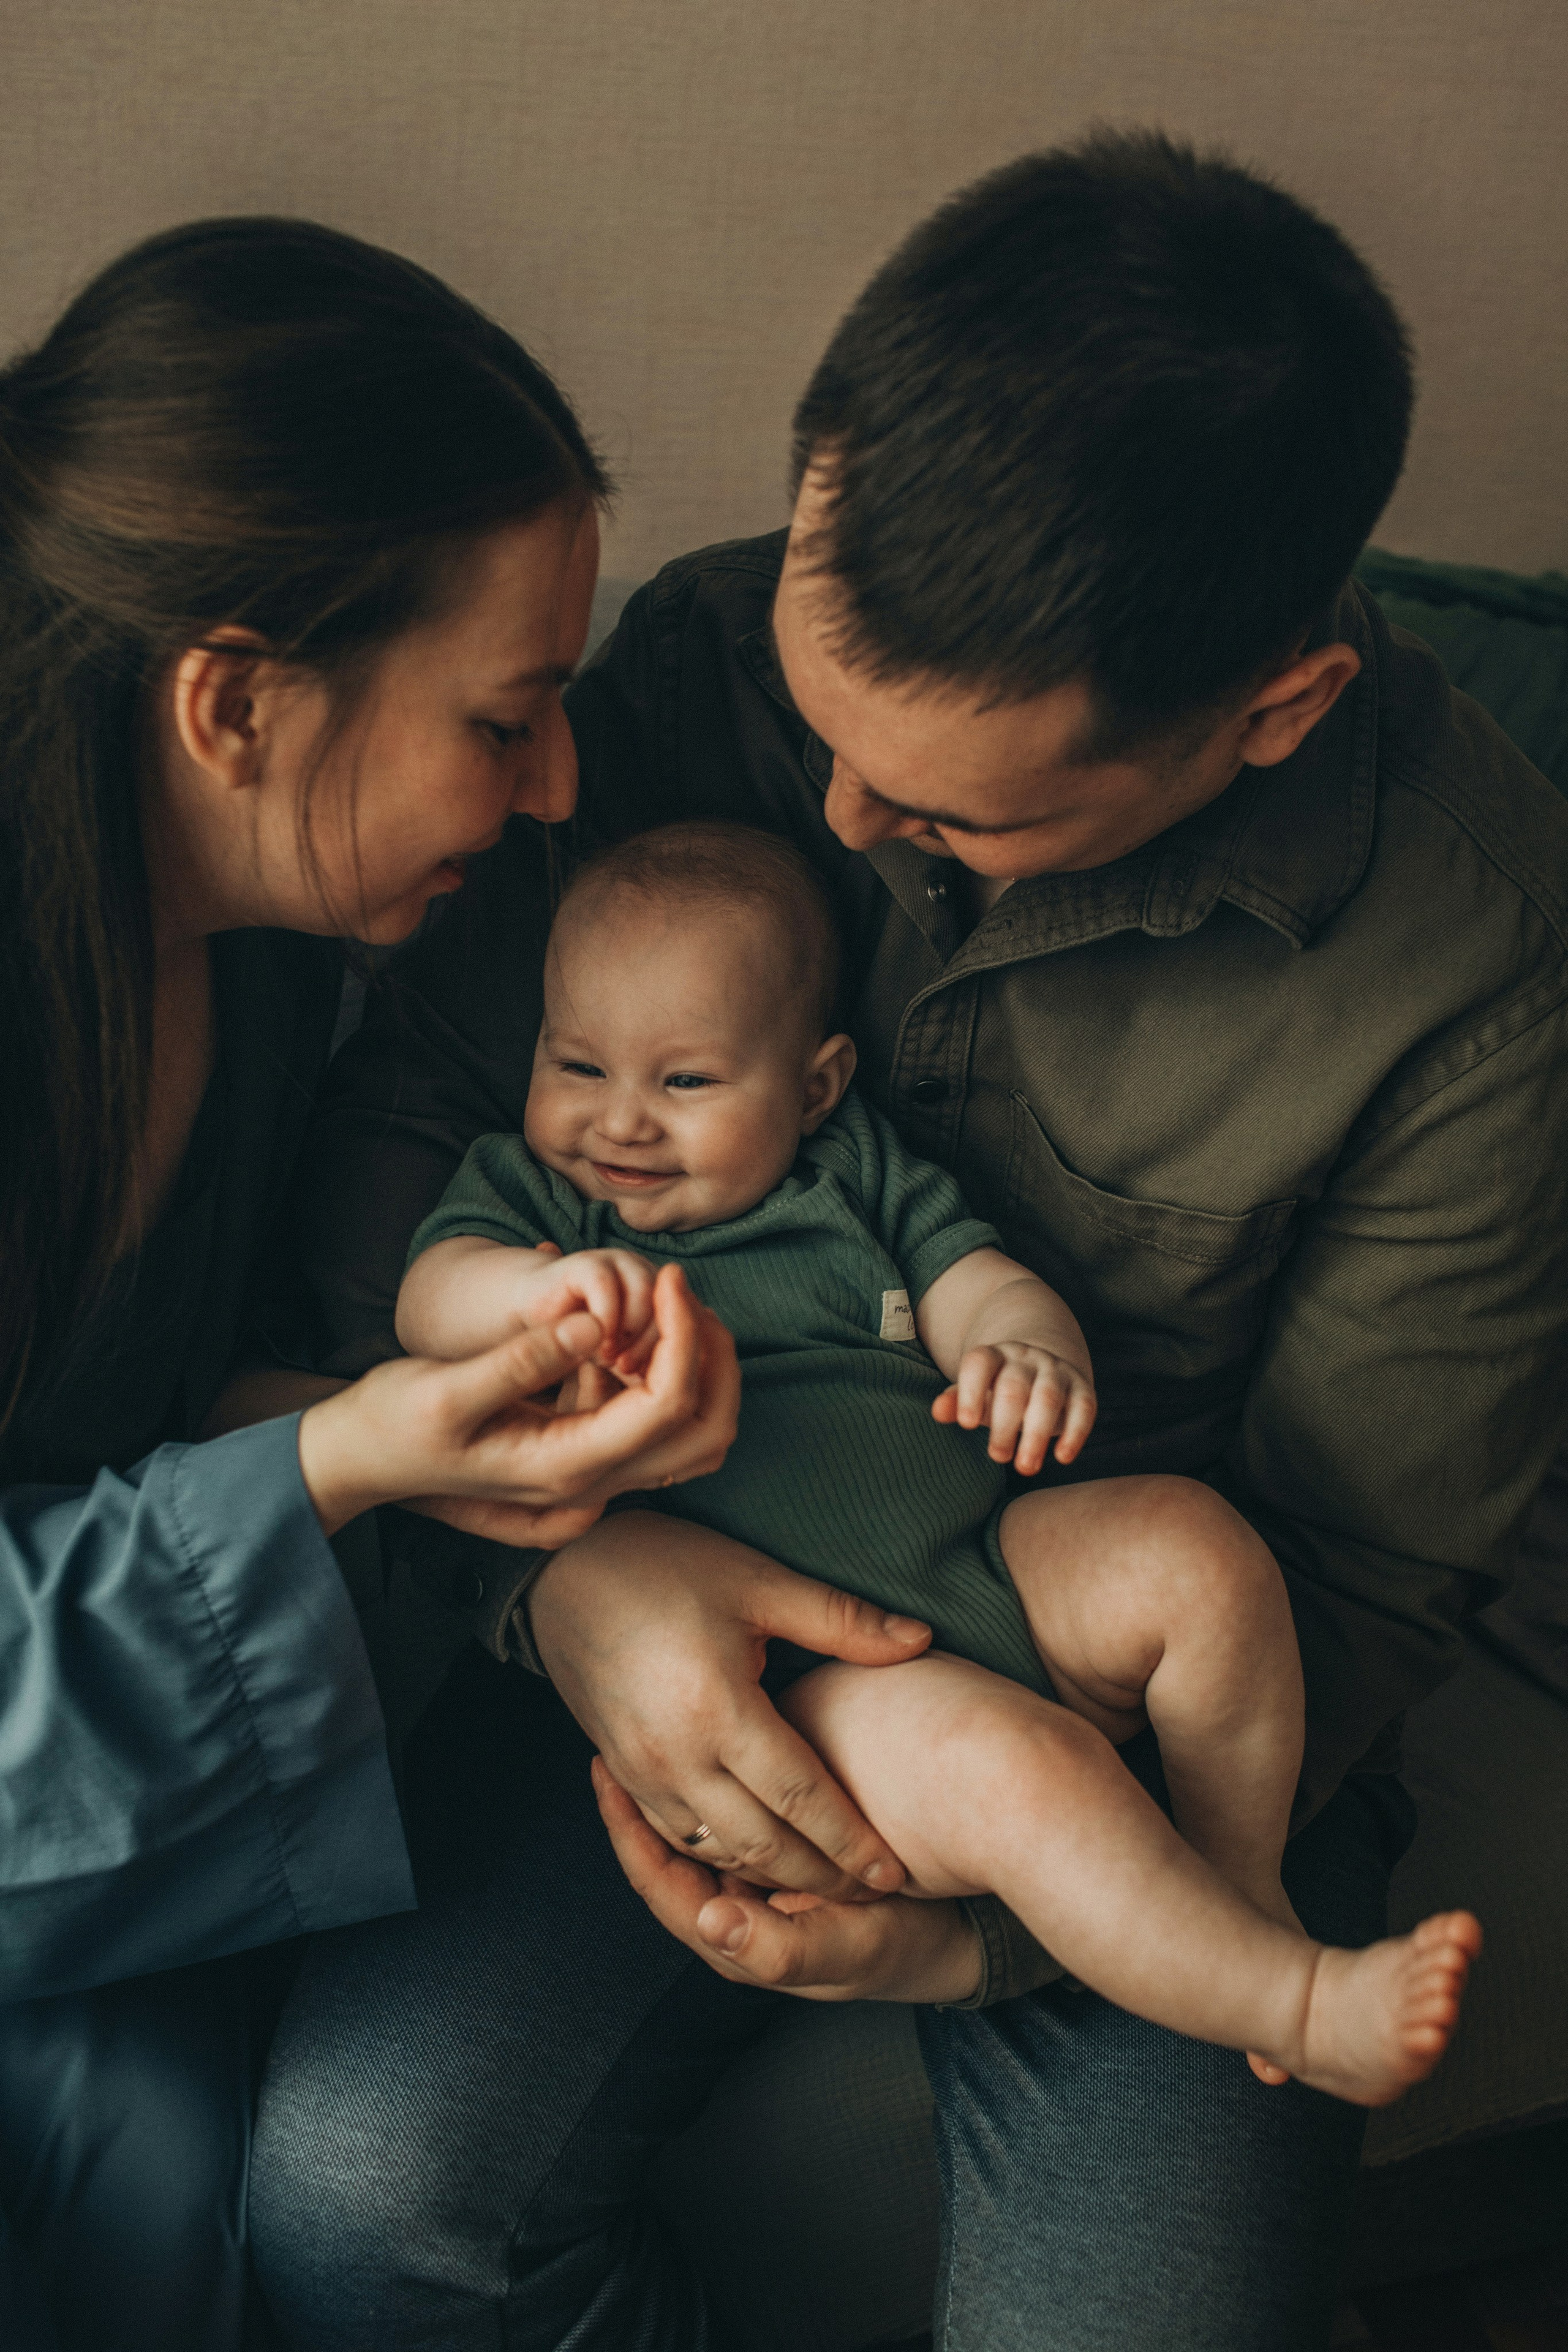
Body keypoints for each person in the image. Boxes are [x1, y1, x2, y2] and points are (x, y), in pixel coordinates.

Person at [252, 132, 1568, 2351]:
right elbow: (420, 1149)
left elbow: (1345, 1581)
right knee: (359, 2208)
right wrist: (563, 1580)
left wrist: (1004, 1936)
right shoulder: (696, 659)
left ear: (1275, 711)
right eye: (822, 727)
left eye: (955, 809)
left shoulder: (1477, 957)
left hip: (1127, 1723)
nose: (844, 825)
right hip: (663, 1568)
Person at [0, 216, 743, 2352]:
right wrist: (336, 1464)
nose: (561, 793)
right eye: (506, 720)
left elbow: (132, 1423)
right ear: (233, 699)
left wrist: (426, 1444)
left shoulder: (281, 977)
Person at [401, 817, 1483, 2105]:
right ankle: (1292, 2002)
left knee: (1191, 1550)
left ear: (812, 1086)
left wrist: (1027, 1351)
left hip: (985, 1558)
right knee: (1025, 1772)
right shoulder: (541, 1204)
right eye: (573, 1062)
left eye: (683, 1083)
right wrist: (533, 1297)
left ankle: (1232, 1884)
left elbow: (975, 1282)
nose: (617, 1120)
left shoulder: (852, 1169)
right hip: (813, 1686)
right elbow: (426, 1298)